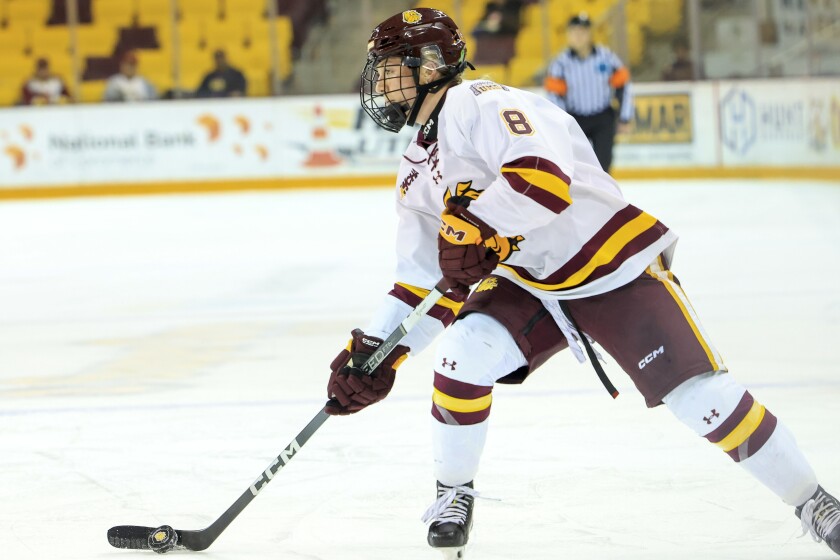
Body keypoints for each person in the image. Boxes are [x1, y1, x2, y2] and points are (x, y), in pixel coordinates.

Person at [324, 7, 840, 559]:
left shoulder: (484, 103)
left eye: (388, 68)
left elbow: (542, 178)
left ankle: (814, 503)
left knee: (701, 398)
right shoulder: (413, 169)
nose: (377, 83)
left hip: (606, 260)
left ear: (428, 65)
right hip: (531, 282)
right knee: (462, 355)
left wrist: (482, 228)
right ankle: (452, 493)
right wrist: (376, 352)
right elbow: (420, 283)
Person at [543, 13, 632, 173]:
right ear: (568, 35)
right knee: (575, 166)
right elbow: (554, 96)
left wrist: (625, 117)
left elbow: (623, 86)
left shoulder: (607, 57)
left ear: (590, 34)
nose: (578, 36)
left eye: (582, 31)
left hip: (603, 118)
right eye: (574, 32)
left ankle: (604, 197)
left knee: (603, 166)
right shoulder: (560, 63)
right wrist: (563, 122)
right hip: (575, 119)